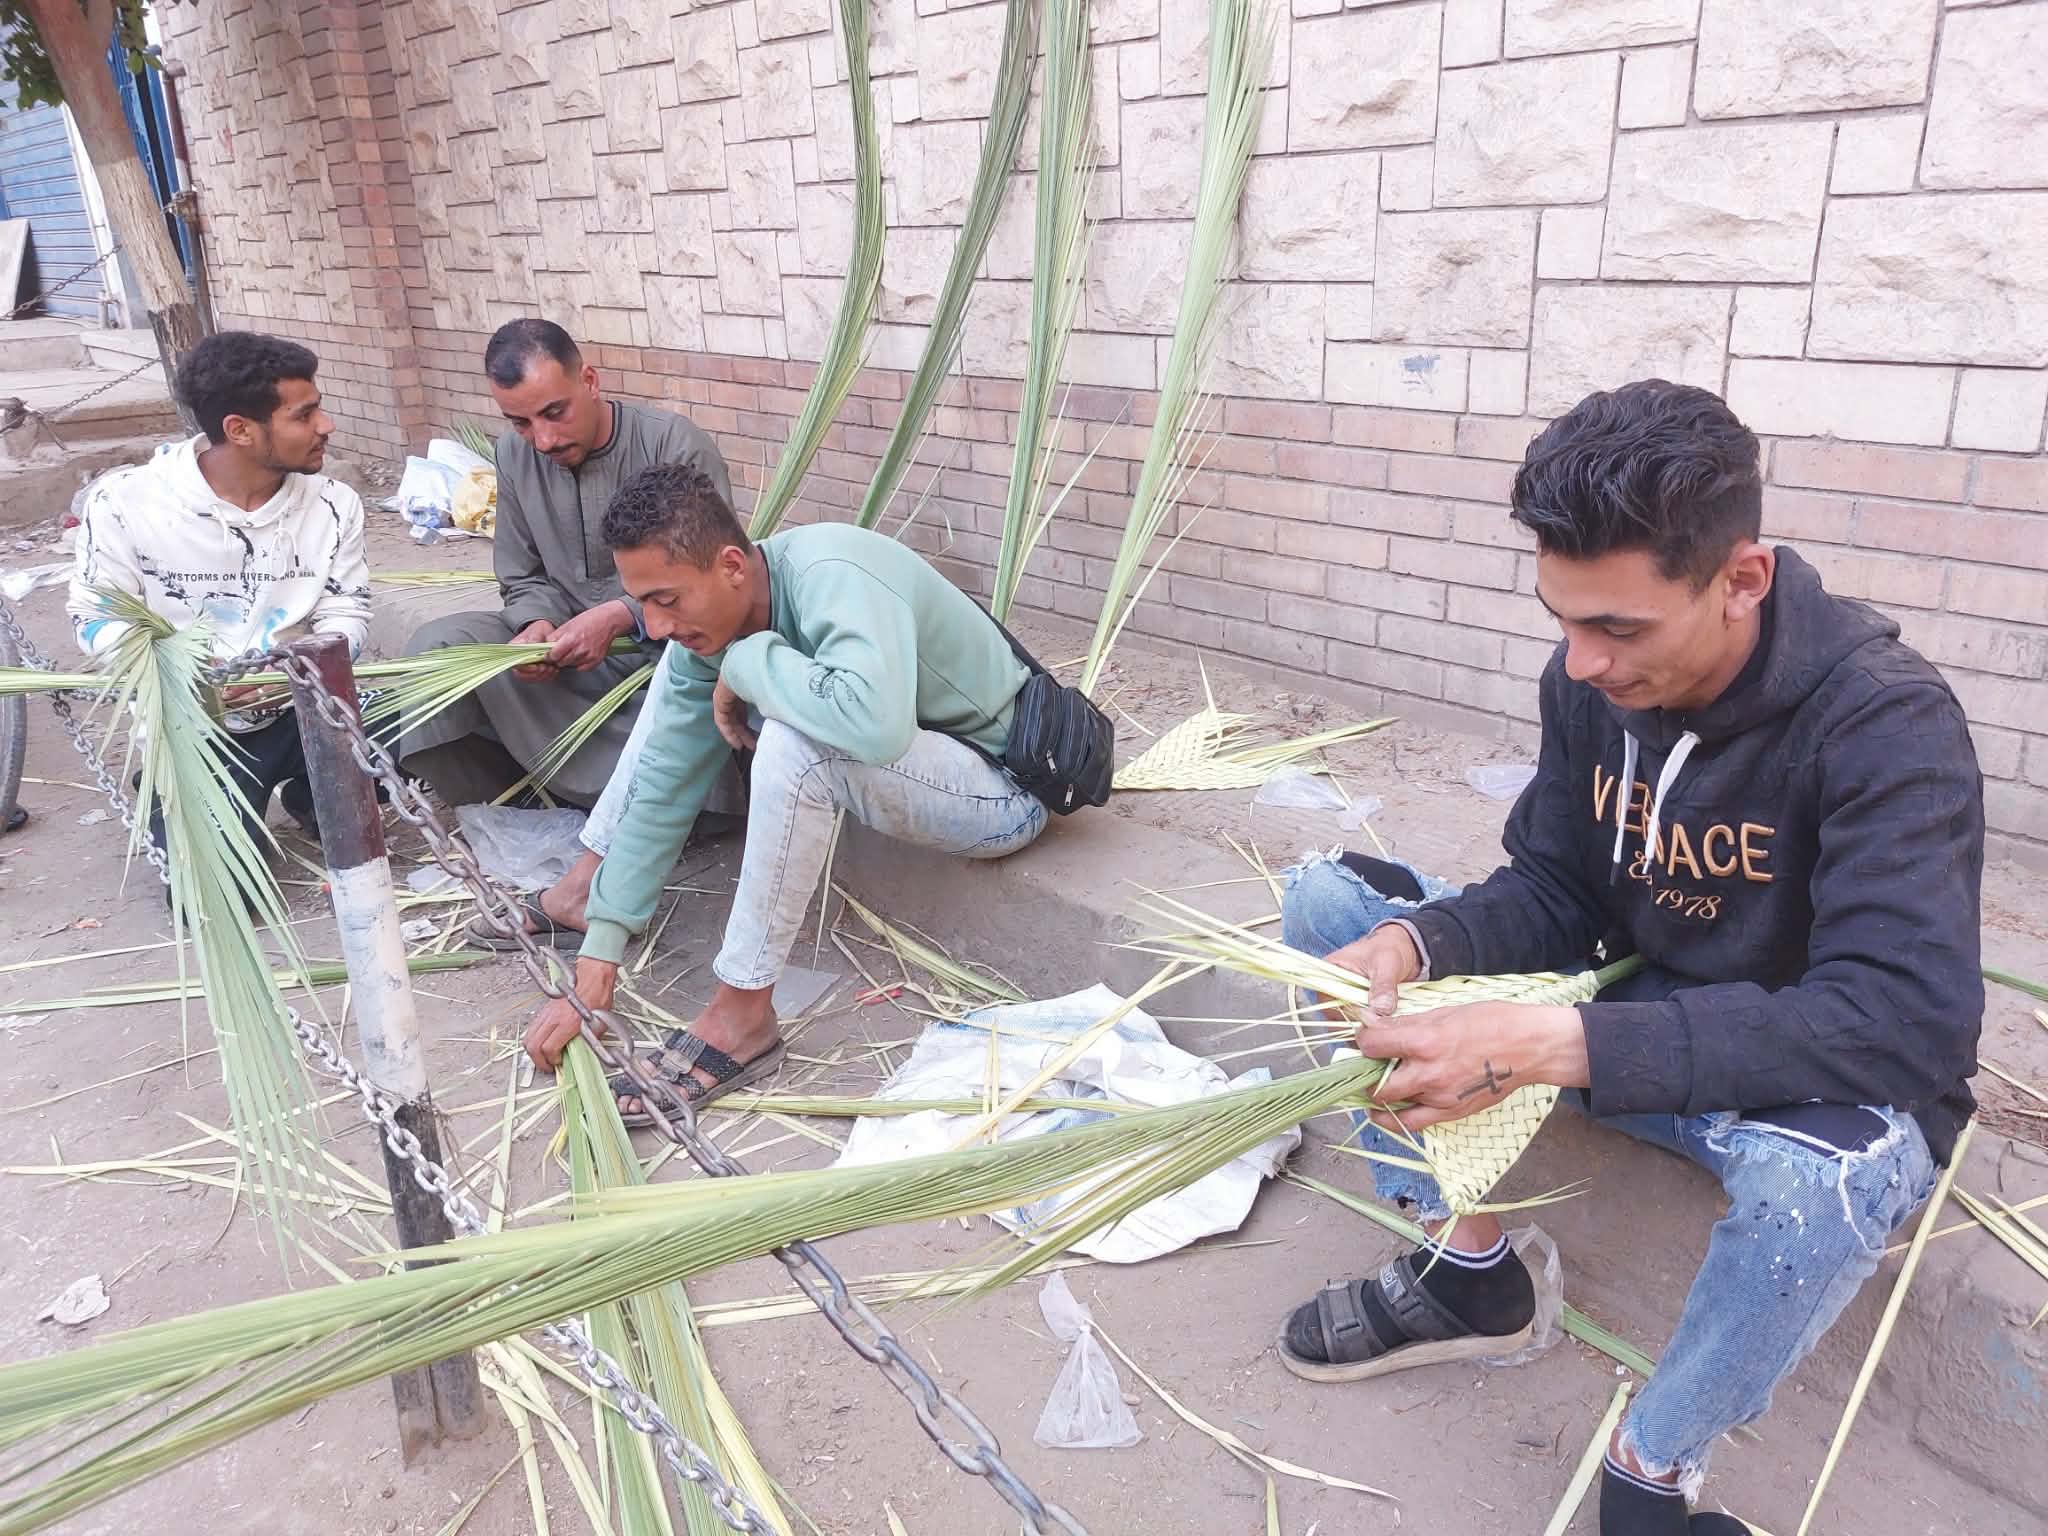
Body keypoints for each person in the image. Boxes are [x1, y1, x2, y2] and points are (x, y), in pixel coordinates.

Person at [1275, 381, 1982, 1534]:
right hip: (1627, 1019)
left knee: (1821, 1191)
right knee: (1329, 921)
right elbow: (1555, 886)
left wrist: (1556, 1043)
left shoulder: (1883, 722)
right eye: (1561, 619)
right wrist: (1418, 941)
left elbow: (1901, 1020)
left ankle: (1651, 1473)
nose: (1581, 662)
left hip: (1789, 1085)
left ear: (1739, 579)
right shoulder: (1587, 683)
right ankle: (1468, 1273)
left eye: (1617, 628)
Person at [520, 462, 1049, 1117]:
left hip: (1003, 790)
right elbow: (660, 787)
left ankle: (742, 1013)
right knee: (712, 706)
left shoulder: (834, 574)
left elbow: (875, 728)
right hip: (921, 772)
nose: (652, 627)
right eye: (643, 602)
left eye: (667, 599)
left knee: (796, 743)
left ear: (734, 566)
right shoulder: (710, 622)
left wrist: (742, 663)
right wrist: (596, 966)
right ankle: (700, 989)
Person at [399, 319, 732, 944]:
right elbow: (520, 573)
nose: (544, 439)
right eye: (523, 423)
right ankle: (531, 797)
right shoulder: (514, 455)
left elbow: (712, 589)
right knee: (437, 651)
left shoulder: (675, 446)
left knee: (687, 708)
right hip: (566, 663)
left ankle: (643, 818)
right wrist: (535, 626)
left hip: (660, 659)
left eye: (555, 413)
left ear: (590, 380)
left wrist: (619, 616)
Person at [66, 330, 370, 842]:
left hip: (304, 706)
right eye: (303, 415)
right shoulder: (124, 503)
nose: (326, 425)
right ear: (240, 430)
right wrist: (181, 668)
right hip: (197, 727)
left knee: (426, 724)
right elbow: (94, 616)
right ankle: (176, 792)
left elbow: (348, 612)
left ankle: (309, 794)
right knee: (222, 897)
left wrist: (294, 671)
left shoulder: (334, 504)